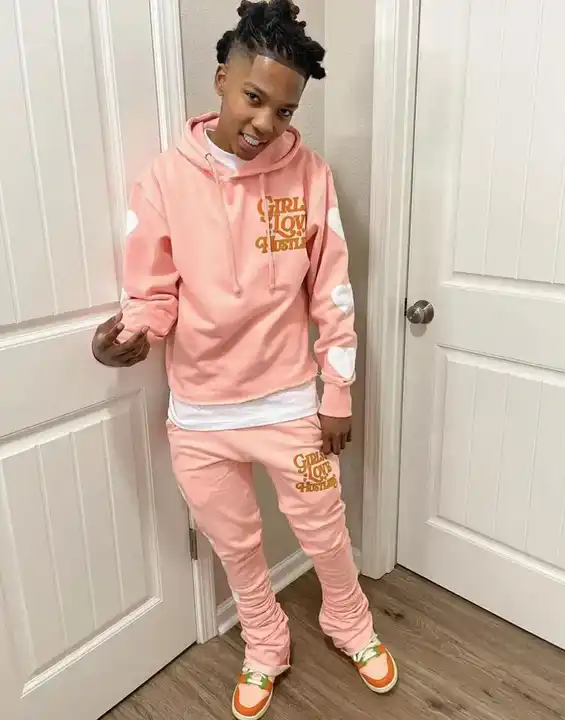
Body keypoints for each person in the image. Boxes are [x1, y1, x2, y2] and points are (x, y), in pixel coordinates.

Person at [91, 1, 397, 717]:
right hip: (200, 416)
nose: (265, 123)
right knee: (233, 541)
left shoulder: (310, 176)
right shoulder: (164, 179)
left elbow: (334, 294)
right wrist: (131, 334)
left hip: (290, 405)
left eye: (284, 111)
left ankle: (348, 620)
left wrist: (338, 394)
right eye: (254, 98)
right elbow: (153, 291)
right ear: (222, 80)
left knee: (325, 524)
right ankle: (265, 641)